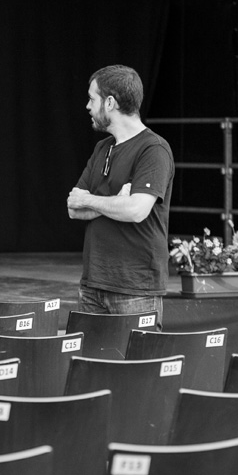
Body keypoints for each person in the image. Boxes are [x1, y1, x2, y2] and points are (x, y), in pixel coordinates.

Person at [67, 64, 174, 318]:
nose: (88, 106)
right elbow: (73, 207)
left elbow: (136, 211)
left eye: (92, 99)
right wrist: (116, 201)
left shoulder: (153, 149)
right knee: (88, 348)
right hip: (93, 285)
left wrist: (90, 200)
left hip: (135, 289)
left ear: (110, 103)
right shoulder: (102, 148)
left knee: (133, 348)